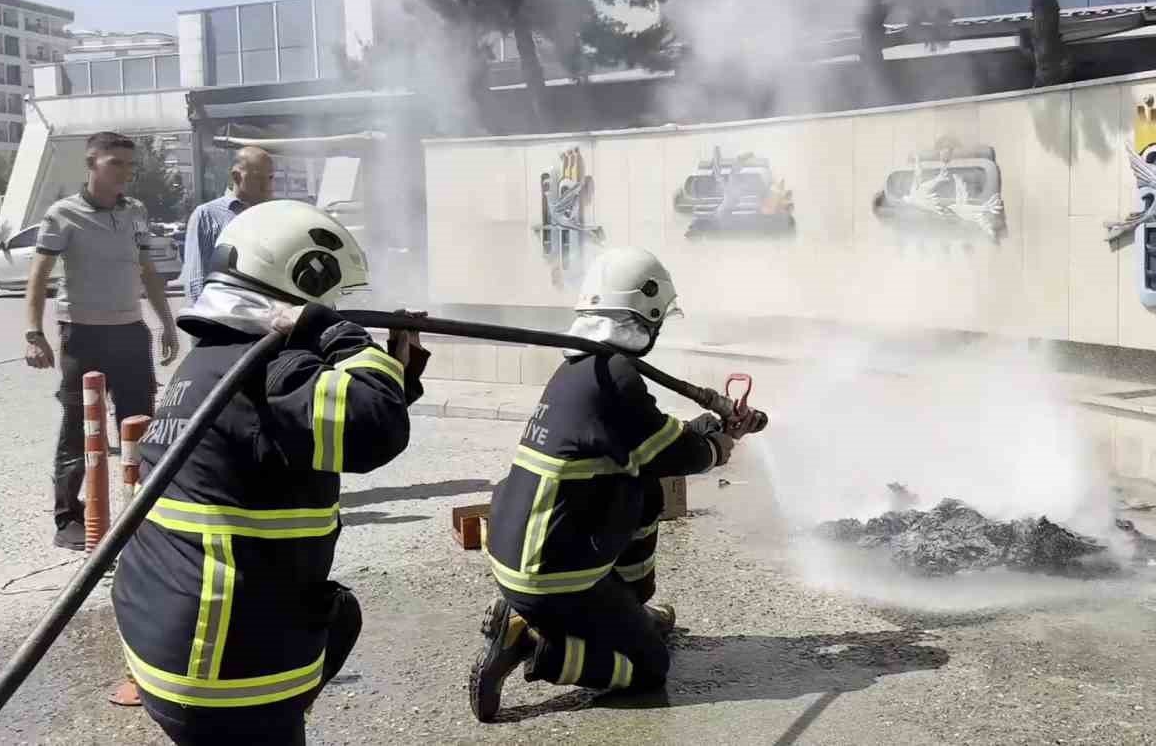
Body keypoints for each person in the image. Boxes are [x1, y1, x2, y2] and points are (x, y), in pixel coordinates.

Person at [112, 199, 429, 746]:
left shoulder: (213, 358)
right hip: (217, 664)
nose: (335, 309)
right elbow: (376, 430)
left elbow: (319, 430)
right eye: (329, 299)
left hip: (163, 642)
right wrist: (341, 335)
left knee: (338, 616)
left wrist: (395, 377)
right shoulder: (273, 365)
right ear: (305, 281)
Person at [468, 246, 742, 722]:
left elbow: (650, 440)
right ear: (648, 317)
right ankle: (533, 645)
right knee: (650, 668)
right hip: (551, 573)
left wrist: (703, 428)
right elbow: (675, 454)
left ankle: (629, 613)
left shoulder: (581, 370)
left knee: (641, 489)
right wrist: (717, 447)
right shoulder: (614, 376)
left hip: (523, 554)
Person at [25, 131, 181, 551]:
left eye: (130, 165)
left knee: (140, 422)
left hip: (131, 331)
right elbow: (39, 277)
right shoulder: (63, 214)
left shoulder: (135, 212)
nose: (125, 173)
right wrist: (34, 333)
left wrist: (166, 322)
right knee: (78, 425)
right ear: (92, 163)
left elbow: (148, 271)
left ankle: (143, 510)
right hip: (83, 334)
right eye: (116, 164)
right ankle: (68, 518)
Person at [181, 145, 275, 300]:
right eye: (258, 178)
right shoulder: (207, 215)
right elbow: (196, 280)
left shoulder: (275, 214)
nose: (267, 186)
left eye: (270, 178)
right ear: (236, 177)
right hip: (223, 315)